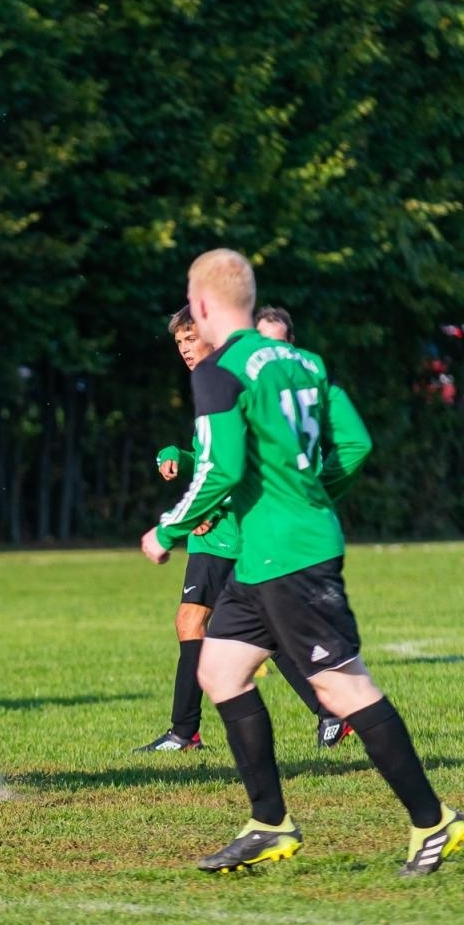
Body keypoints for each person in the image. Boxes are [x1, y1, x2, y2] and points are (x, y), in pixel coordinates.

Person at [141, 248, 464, 877]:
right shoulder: (306, 363)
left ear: (204, 305)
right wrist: (318, 498)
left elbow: (221, 466)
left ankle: (433, 820)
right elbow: (354, 441)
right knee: (221, 671)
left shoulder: (220, 370)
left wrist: (169, 527)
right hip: (262, 557)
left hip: (290, 557)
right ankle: (270, 823)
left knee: (341, 688)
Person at [139, 306, 349, 753]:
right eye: (179, 343)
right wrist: (173, 451)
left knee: (199, 623)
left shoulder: (232, 385)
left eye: (191, 340)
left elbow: (245, 469)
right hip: (211, 533)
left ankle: (184, 732)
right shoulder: (213, 384)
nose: (185, 350)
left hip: (228, 534)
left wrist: (203, 513)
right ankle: (329, 708)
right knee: (258, 631)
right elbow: (212, 461)